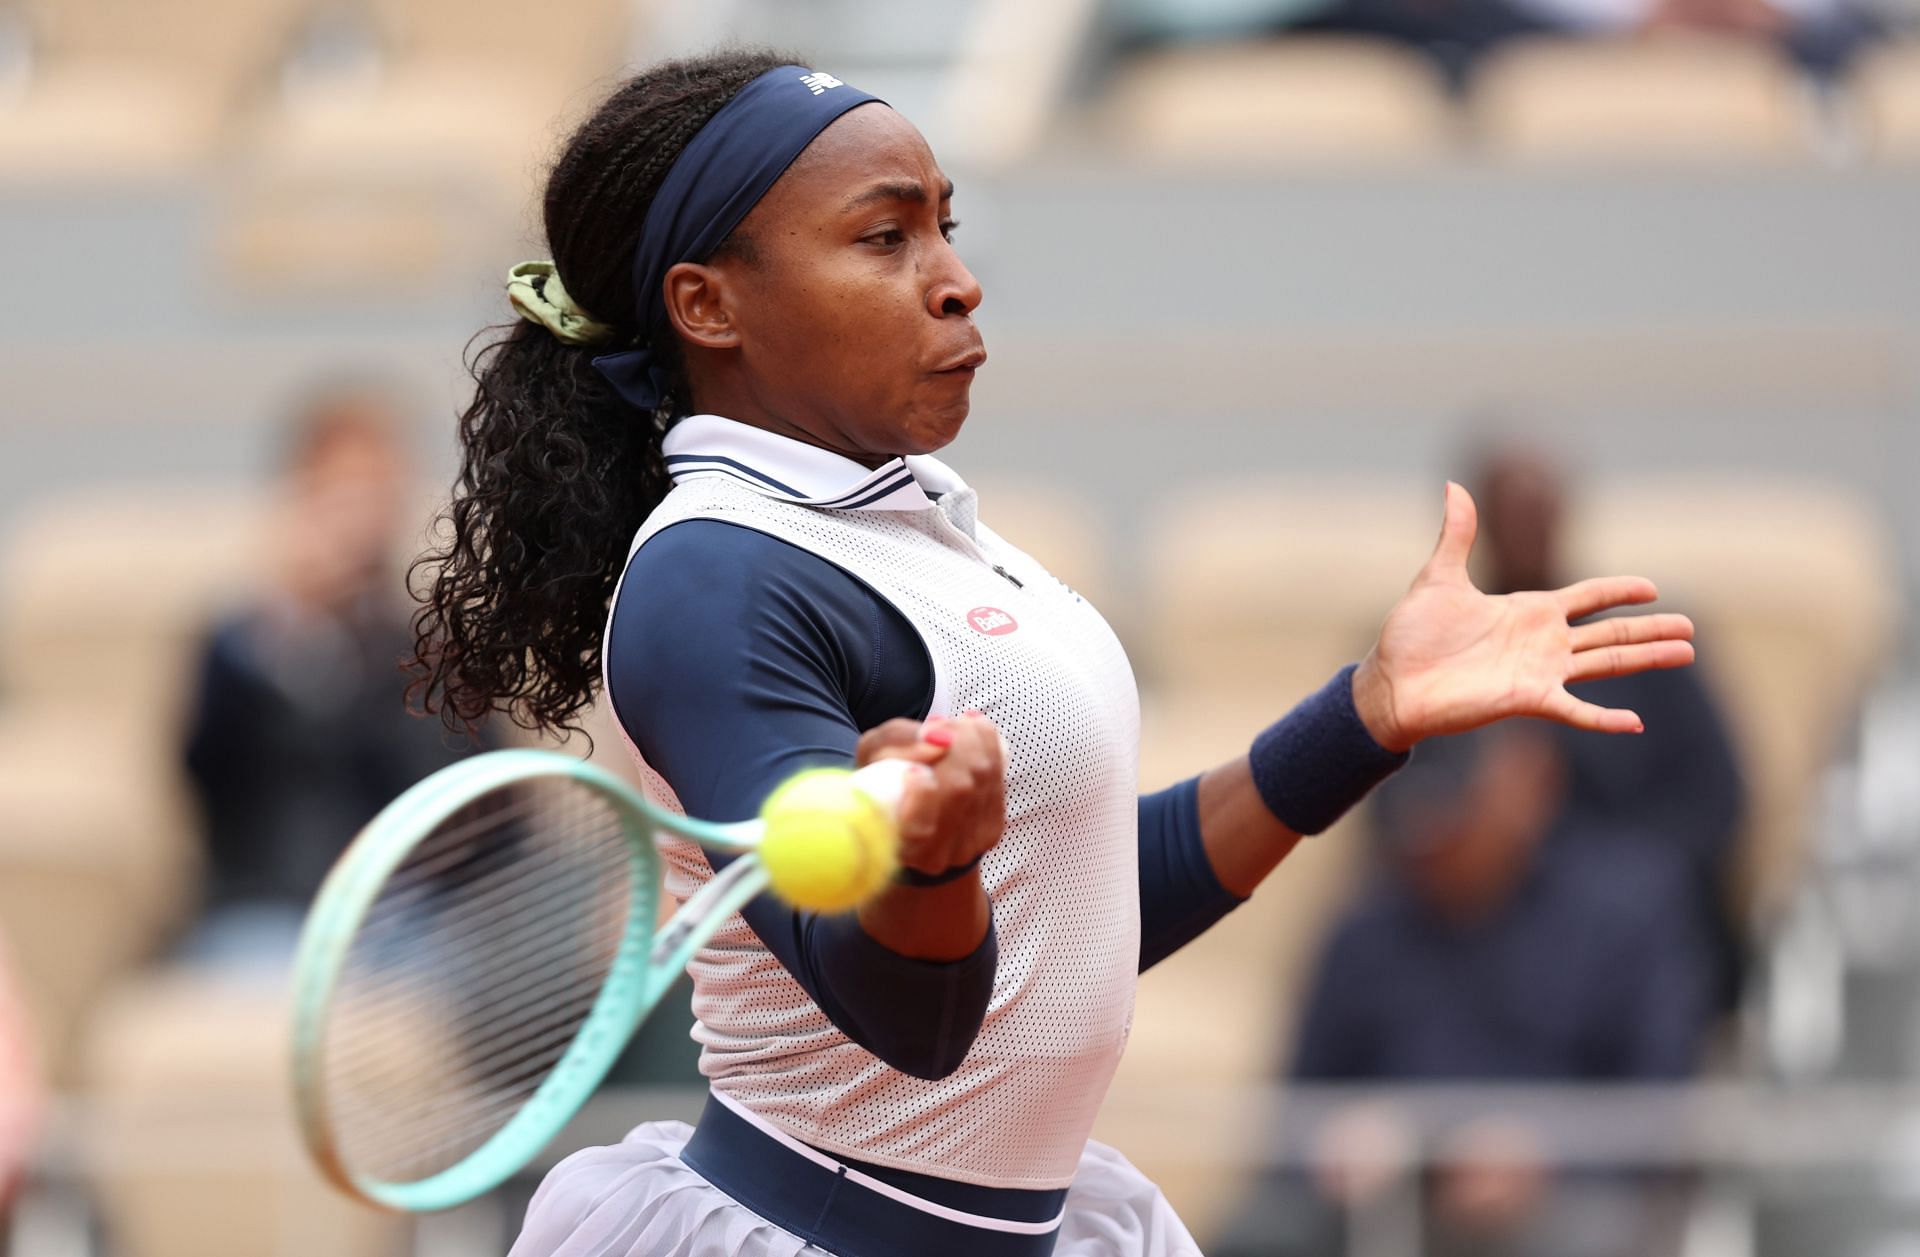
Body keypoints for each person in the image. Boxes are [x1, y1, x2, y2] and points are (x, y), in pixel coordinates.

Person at [406, 49, 1696, 1257]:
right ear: (709, 304)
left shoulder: (924, 530)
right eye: (883, 235)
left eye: (946, 228)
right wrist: (935, 866)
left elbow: (1077, 913)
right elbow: (912, 1015)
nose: (955, 278)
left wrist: (1368, 712)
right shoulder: (715, 579)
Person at [1221, 724, 1707, 1257]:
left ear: (1528, 778)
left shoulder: (1631, 909)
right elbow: (1295, 1117)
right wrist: (1337, 1143)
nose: (1433, 836)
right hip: (1384, 1205)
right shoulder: (1366, 928)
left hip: (1567, 1210)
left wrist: (1549, 1158)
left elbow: (1662, 1114)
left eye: (1454, 806)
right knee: (1259, 1234)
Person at [178, 384, 472, 972]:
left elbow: (462, 798)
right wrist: (296, 629)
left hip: (412, 915)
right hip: (268, 908)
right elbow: (205, 774)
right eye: (338, 492)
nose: (356, 515)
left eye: (374, 489)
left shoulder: (434, 648)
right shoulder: (242, 643)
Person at [1472, 441, 1745, 1014]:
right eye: (1510, 514)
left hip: (1625, 906)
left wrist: (1600, 871)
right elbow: (1391, 812)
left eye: (1538, 512)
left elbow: (1720, 801)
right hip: (1466, 912)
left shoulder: (1648, 653)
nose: (1527, 531)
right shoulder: (1442, 656)